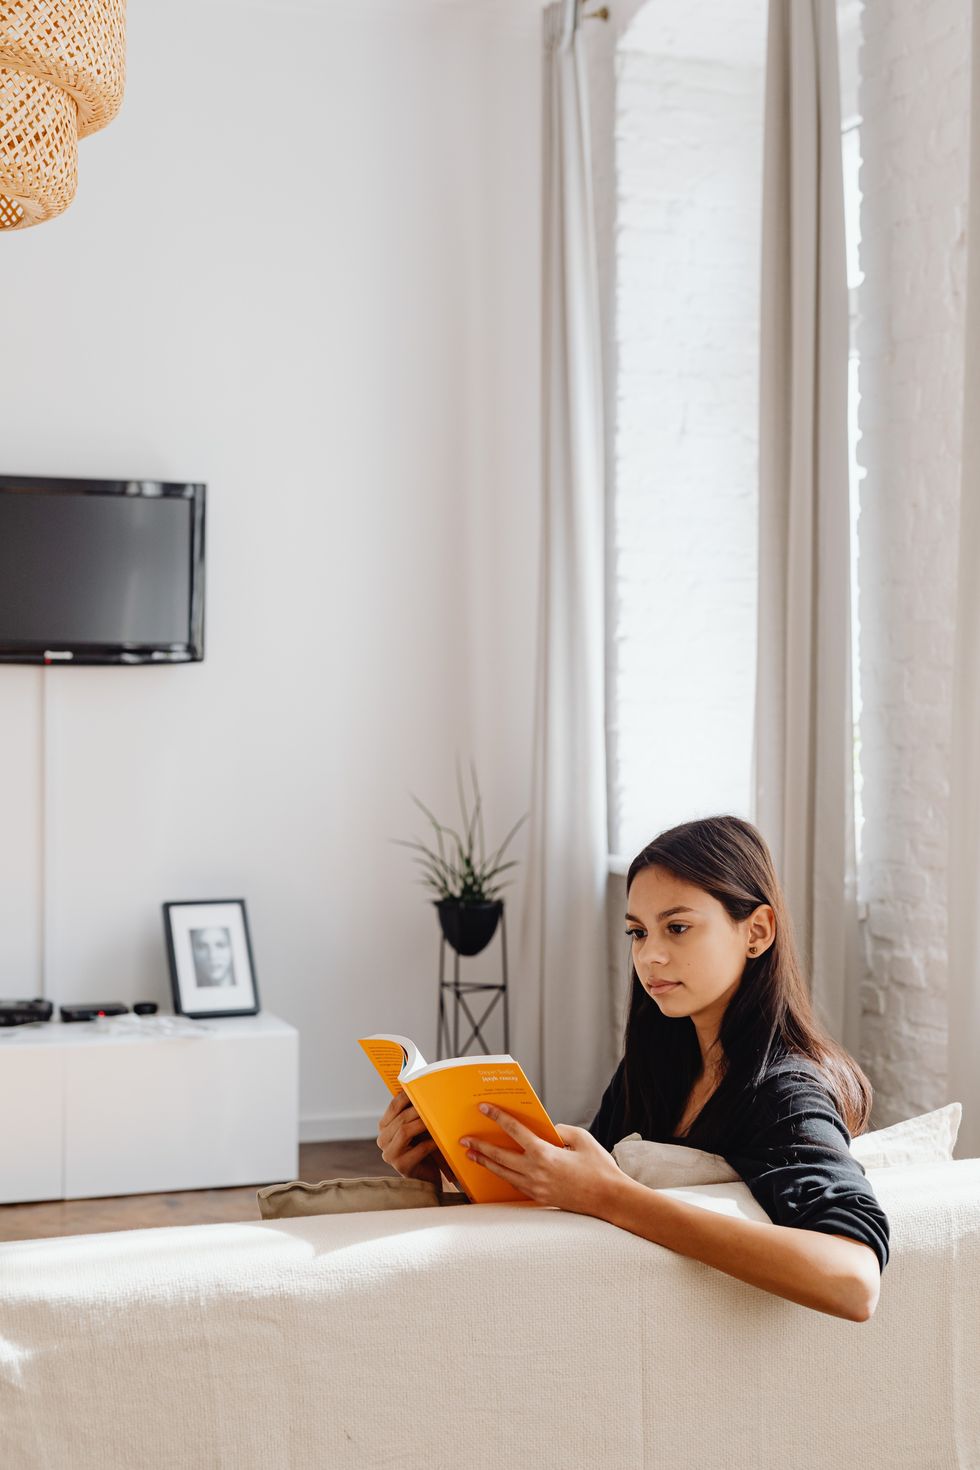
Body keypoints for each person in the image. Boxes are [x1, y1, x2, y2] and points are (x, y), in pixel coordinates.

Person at [376, 813, 890, 1322]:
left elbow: (852, 1280)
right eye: (638, 933)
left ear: (756, 931)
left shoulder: (785, 1093)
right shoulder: (656, 1067)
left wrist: (614, 1196)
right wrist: (445, 1168)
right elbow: (571, 1207)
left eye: (678, 927)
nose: (651, 956)